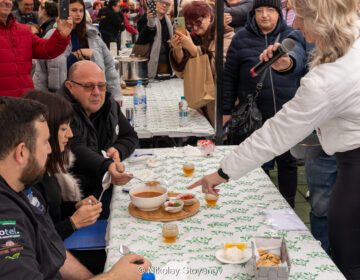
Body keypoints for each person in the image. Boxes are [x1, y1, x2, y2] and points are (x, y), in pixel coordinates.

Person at [188, 0, 360, 278]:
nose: (296, 23)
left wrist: (222, 172)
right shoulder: (351, 40)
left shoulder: (328, 80)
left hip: (354, 167)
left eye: (302, 17)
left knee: (348, 256)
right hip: (347, 159)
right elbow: (297, 45)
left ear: (322, 19)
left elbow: (275, 134)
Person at [0, 96, 151, 279]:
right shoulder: (6, 218)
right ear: (22, 152)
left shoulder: (22, 187)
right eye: (45, 142)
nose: (49, 150)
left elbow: (53, 251)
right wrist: (113, 277)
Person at [222, 0, 307, 208]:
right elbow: (229, 77)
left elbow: (303, 68)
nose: (265, 15)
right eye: (259, 10)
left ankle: (287, 208)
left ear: (279, 12)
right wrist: (225, 111)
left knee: (287, 162)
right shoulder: (241, 38)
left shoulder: (292, 35)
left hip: (287, 112)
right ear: (253, 13)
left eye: (270, 10)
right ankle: (257, 207)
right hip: (253, 114)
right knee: (257, 162)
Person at [60, 60, 138, 218]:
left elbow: (130, 135)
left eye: (101, 86)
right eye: (89, 86)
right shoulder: (60, 110)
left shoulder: (109, 104)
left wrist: (117, 150)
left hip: (104, 185)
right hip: (74, 199)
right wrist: (108, 166)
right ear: (70, 87)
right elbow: (75, 148)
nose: (97, 92)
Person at [23, 90, 103, 241]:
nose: (71, 134)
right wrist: (73, 223)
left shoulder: (45, 166)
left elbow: (51, 211)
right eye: (64, 128)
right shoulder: (25, 179)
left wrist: (76, 206)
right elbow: (35, 241)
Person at [33, 0, 122, 98]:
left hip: (90, 94)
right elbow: (41, 72)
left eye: (81, 10)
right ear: (65, 11)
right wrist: (41, 100)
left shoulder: (92, 35)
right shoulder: (52, 35)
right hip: (61, 97)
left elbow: (109, 65)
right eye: (74, 10)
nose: (78, 14)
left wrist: (116, 94)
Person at [168, 1, 234, 126]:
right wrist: (178, 49)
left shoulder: (225, 34)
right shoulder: (192, 37)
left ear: (209, 16)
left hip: (220, 101)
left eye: (198, 23)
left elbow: (219, 67)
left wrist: (193, 49)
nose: (196, 28)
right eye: (191, 26)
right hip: (200, 102)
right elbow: (181, 72)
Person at [0, 0, 72, 97]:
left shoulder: (23, 30)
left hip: (25, 102)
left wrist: (61, 35)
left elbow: (46, 49)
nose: (6, 1)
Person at [134, 0, 173, 78]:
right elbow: (143, 39)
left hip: (165, 65)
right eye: (162, 2)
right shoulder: (144, 18)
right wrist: (150, 23)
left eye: (167, 4)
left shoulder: (168, 21)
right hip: (148, 63)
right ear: (156, 2)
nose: (164, 5)